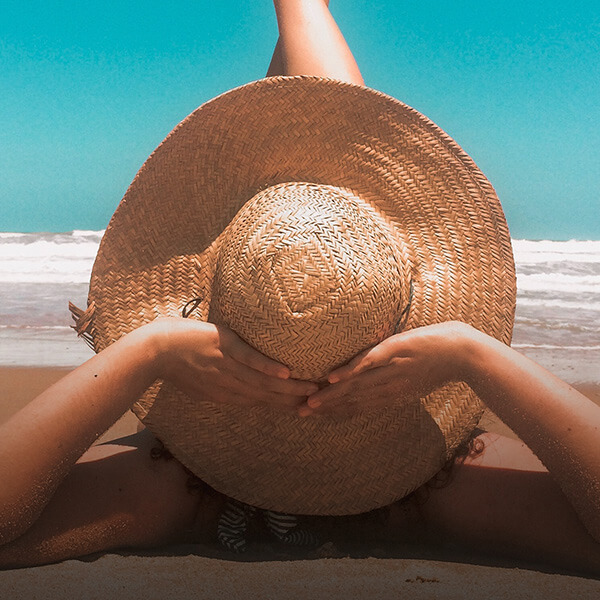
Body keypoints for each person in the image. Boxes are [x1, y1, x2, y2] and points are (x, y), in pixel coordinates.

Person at [1, 0, 599, 574]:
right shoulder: (440, 480)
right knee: (317, 180)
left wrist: (146, 351)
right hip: (401, 466)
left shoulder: (168, 485)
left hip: (203, 468)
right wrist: (475, 355)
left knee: (310, 178)